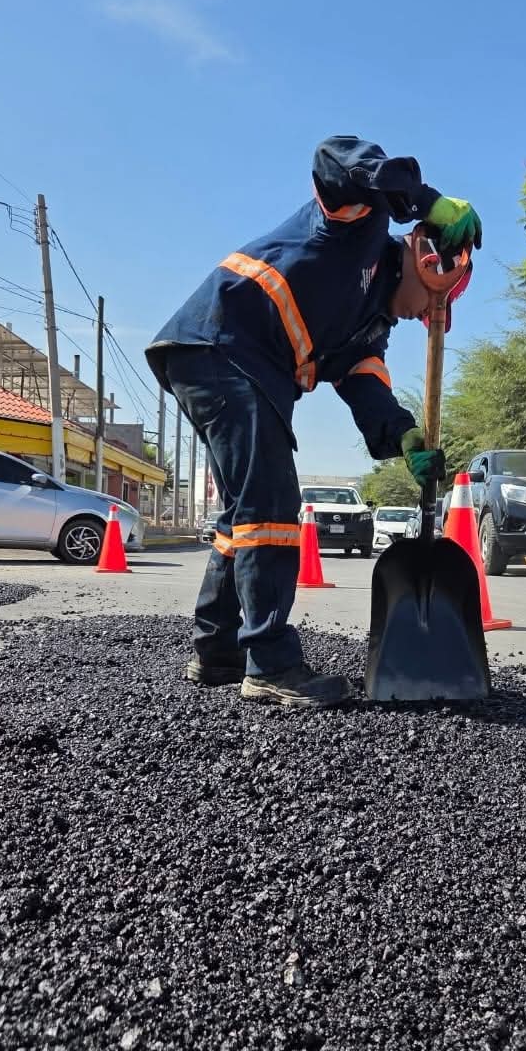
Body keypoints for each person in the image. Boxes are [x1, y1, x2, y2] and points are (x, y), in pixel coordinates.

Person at [145, 136, 481, 708]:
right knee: (271, 506)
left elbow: (366, 386)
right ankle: (271, 664)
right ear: (423, 264)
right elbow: (335, 158)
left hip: (230, 364)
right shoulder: (361, 226)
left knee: (244, 512)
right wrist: (426, 200)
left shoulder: (370, 326)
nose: (425, 317)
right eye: (432, 306)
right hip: (223, 345)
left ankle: (219, 649)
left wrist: (403, 437)